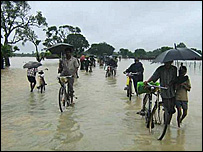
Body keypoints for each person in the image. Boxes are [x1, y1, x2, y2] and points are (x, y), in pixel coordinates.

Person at [142, 60, 177, 125]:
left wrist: (171, 84)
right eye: (166, 62)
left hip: (172, 91)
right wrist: (148, 82)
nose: (167, 64)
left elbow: (175, 79)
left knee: (171, 109)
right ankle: (165, 124)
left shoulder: (174, 69)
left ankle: (168, 123)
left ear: (171, 62)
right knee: (166, 108)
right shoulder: (160, 69)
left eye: (169, 62)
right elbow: (154, 77)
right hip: (164, 91)